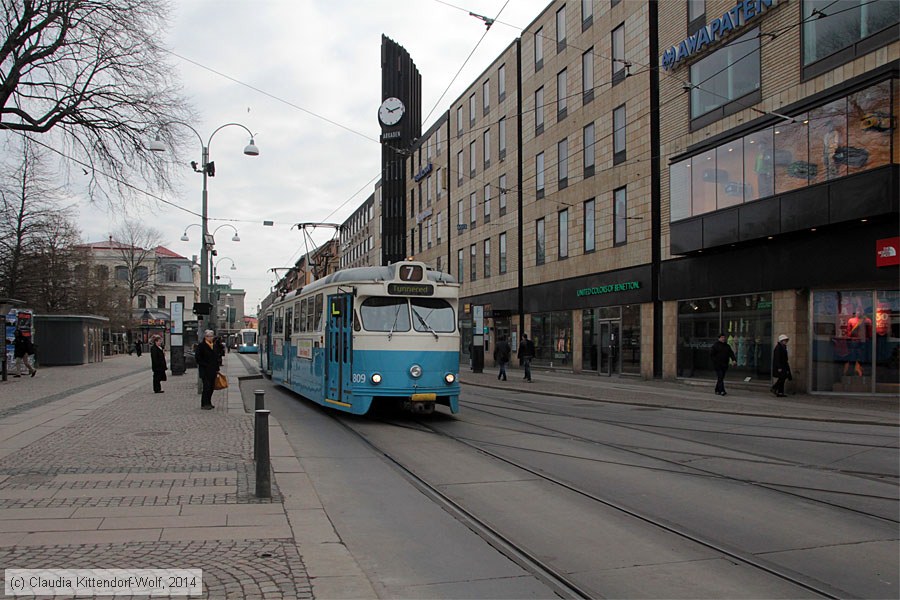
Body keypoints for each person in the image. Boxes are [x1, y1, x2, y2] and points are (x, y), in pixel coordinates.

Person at [195, 330, 219, 410]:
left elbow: (216, 358)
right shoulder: (201, 346)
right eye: (209, 336)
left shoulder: (214, 345)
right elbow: (198, 358)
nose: (211, 338)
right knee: (206, 387)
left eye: (212, 336)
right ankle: (204, 403)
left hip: (213, 370)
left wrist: (217, 369)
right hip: (205, 371)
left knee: (211, 387)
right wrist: (205, 365)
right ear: (205, 337)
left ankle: (209, 402)